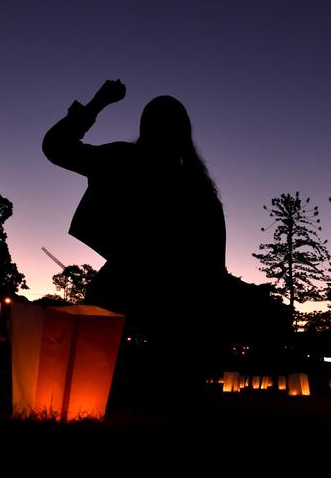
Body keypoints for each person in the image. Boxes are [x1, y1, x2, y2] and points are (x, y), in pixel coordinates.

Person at [43, 79, 227, 412]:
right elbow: (215, 266)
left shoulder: (124, 161)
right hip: (165, 292)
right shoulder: (196, 188)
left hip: (157, 290)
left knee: (101, 343)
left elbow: (56, 146)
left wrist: (98, 103)